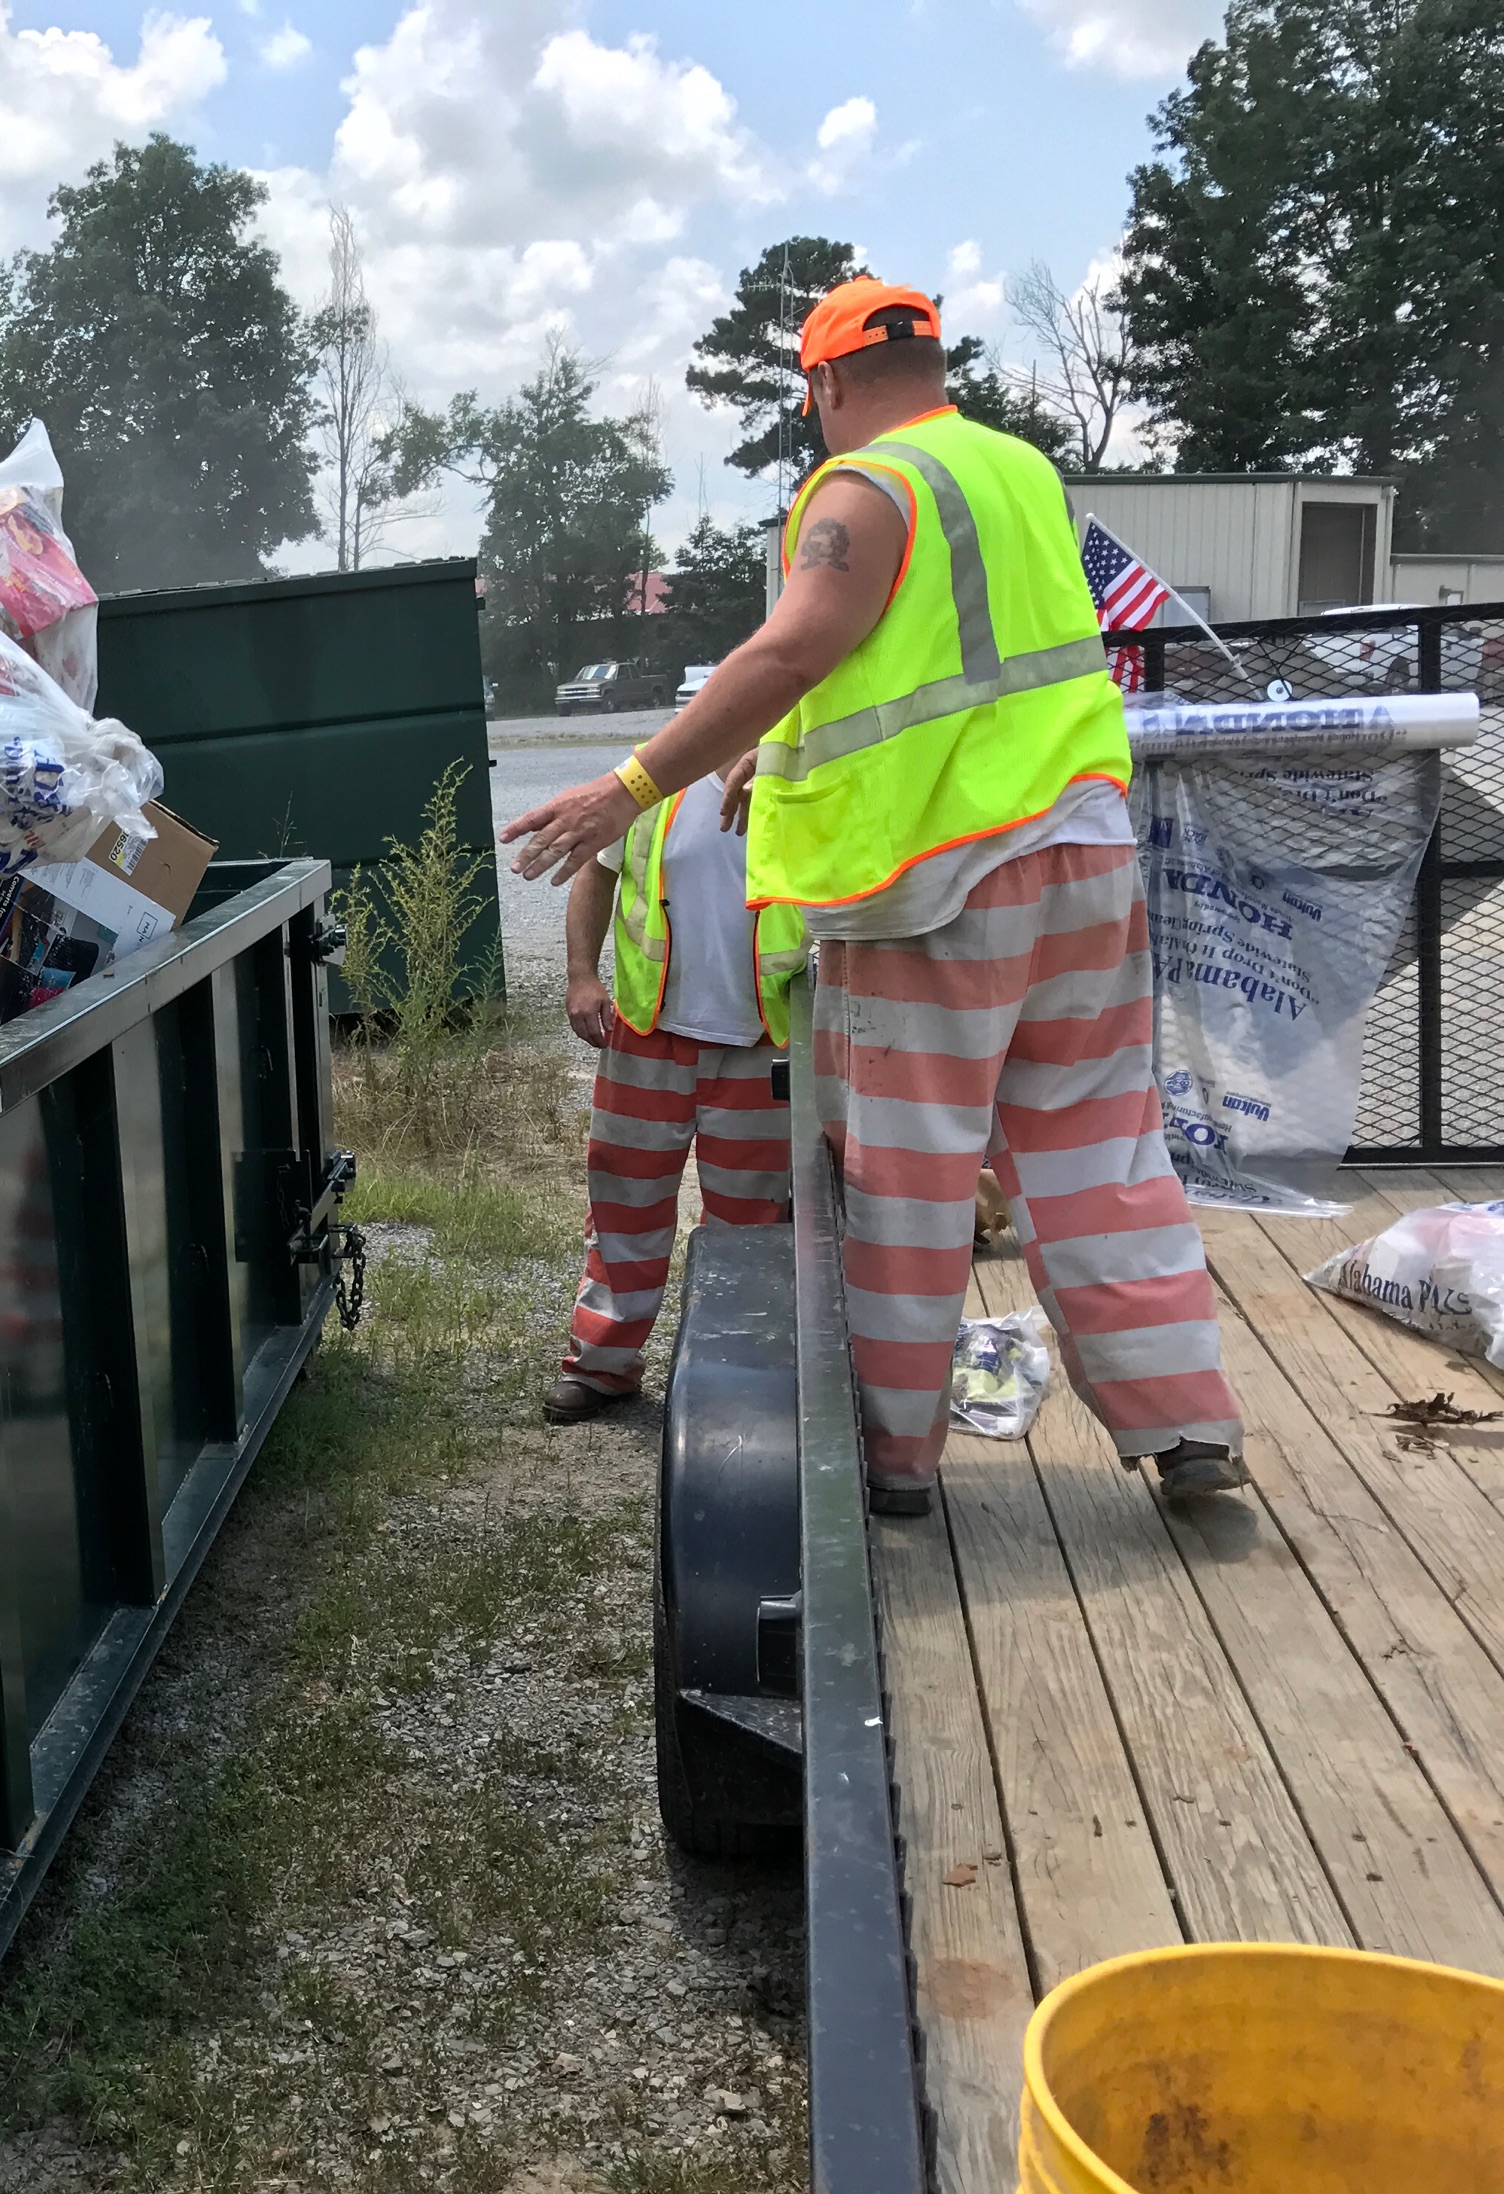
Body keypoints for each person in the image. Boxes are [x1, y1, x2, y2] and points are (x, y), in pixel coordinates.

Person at [498, 278, 1245, 1510]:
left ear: (828, 383)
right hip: (1085, 855)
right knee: (1100, 1152)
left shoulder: (864, 490)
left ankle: (893, 1463)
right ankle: (1186, 1425)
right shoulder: (1017, 477)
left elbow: (795, 647)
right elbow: (930, 664)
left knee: (910, 1171)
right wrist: (765, 749)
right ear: (935, 364)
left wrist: (628, 788)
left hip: (934, 890)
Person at [546, 776, 806, 1424]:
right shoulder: (652, 784)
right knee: (622, 1209)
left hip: (761, 1043)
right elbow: (595, 871)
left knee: (754, 1227)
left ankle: (743, 1374)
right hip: (646, 1034)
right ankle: (601, 1368)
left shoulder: (802, 777)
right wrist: (582, 975)